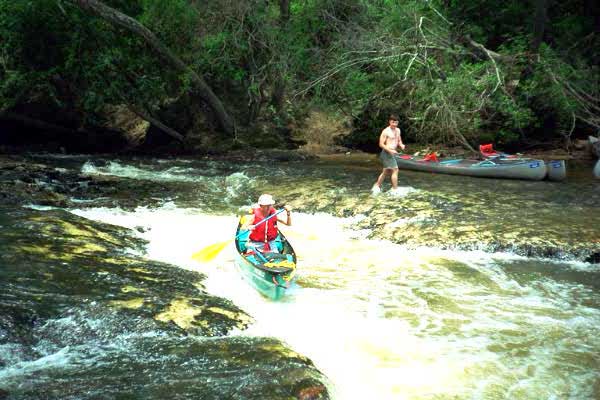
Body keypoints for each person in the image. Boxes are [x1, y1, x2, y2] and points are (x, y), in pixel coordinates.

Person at [372, 114, 406, 195]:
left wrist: (401, 145)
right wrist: (390, 151)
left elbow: (399, 140)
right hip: (386, 153)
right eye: (393, 122)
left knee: (386, 171)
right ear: (390, 121)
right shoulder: (385, 131)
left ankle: (377, 186)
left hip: (392, 153)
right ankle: (395, 189)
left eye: (396, 123)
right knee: (395, 170)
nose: (394, 124)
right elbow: (381, 144)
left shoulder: (398, 130)